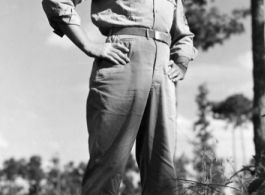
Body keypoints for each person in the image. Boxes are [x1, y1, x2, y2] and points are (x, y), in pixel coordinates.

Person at [42, 0, 197, 194]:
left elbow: (183, 33)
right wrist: (88, 45)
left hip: (163, 70)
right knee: (109, 162)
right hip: (122, 58)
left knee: (162, 168)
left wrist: (181, 62)